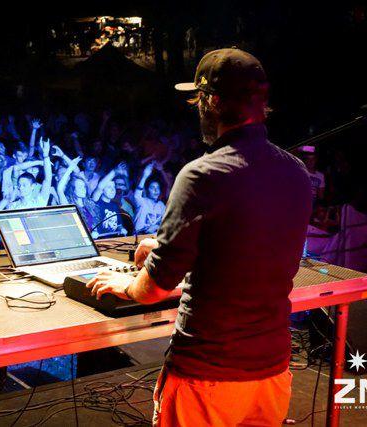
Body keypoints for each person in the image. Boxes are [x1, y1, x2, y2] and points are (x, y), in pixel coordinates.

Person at [86, 48, 312, 426]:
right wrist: (164, 248)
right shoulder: (296, 172)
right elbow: (242, 251)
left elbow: (154, 289)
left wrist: (125, 284)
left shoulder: (201, 175)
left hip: (208, 376)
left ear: (211, 102)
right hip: (271, 371)